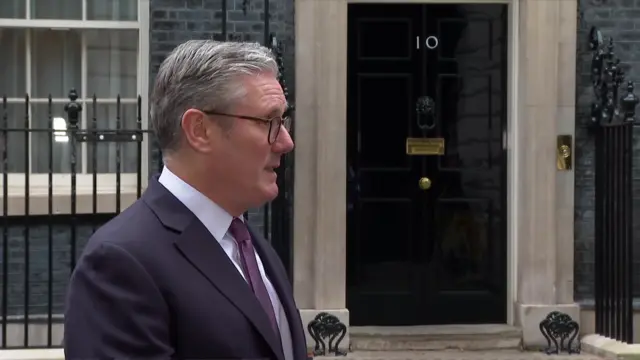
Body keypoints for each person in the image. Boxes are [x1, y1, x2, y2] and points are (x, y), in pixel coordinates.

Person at [63, 40, 307, 360]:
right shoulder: (121, 263)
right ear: (199, 129)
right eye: (269, 122)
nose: (286, 142)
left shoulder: (250, 242)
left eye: (284, 122)